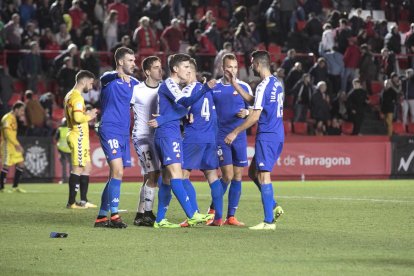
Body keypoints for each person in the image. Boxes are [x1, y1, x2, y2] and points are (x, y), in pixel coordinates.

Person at [152, 53, 215, 228]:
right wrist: (204, 88)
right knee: (176, 174)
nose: (189, 71)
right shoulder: (169, 84)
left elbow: (180, 110)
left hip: (170, 132)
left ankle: (160, 220)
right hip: (168, 134)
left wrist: (179, 115)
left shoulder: (175, 87)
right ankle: (192, 214)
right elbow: (184, 101)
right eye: (186, 67)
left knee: (166, 178)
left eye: (189, 68)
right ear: (175, 69)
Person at [224, 50, 284, 230]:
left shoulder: (263, 85)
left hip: (267, 135)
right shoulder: (276, 83)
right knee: (252, 173)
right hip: (277, 133)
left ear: (258, 64)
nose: (251, 67)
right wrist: (235, 84)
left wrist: (235, 132)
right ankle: (273, 206)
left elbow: (255, 115)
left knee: (264, 176)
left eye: (252, 63)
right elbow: (255, 101)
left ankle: (268, 221)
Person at [94, 47, 139, 228]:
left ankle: (101, 216)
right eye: (130, 60)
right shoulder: (109, 78)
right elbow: (103, 78)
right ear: (120, 62)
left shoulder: (135, 84)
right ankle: (114, 216)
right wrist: (117, 76)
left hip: (123, 132)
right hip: (109, 128)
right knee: (118, 171)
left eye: (134, 61)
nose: (134, 64)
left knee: (115, 174)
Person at [210, 53, 253, 226]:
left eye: (235, 67)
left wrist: (247, 112)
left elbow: (255, 109)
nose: (232, 70)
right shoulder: (214, 87)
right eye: (229, 67)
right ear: (222, 67)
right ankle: (214, 210)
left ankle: (231, 216)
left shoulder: (244, 86)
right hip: (221, 136)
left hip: (239, 136)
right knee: (226, 175)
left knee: (237, 176)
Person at [179, 58, 224, 226]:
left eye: (184, 69)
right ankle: (218, 218)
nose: (181, 74)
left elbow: (179, 111)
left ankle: (194, 214)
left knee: (182, 175)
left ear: (190, 71)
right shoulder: (208, 90)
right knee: (212, 175)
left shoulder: (188, 90)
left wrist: (184, 117)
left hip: (193, 137)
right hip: (210, 138)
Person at [130, 56, 163, 227]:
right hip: (142, 136)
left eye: (161, 67)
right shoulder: (136, 89)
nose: (160, 70)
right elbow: (124, 108)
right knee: (154, 174)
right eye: (156, 67)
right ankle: (149, 214)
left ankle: (140, 214)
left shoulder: (164, 89)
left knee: (147, 177)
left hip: (158, 137)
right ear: (148, 71)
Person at [63, 70, 98, 209]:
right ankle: (71, 202)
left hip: (80, 136)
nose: (91, 86)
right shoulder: (77, 98)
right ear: (83, 81)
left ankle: (83, 201)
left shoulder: (69, 95)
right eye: (90, 82)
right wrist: (89, 115)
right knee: (78, 168)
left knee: (87, 167)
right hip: (77, 135)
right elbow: (77, 118)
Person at [0, 101, 26, 193]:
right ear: (16, 109)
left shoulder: (14, 118)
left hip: (13, 144)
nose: (23, 113)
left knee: (21, 163)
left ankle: (15, 187)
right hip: (7, 144)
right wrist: (17, 145)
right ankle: (1, 187)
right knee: (6, 165)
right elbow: (7, 134)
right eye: (22, 110)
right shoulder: (7, 118)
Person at [55, 118, 72, 184]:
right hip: (70, 149)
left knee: (64, 166)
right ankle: (72, 179)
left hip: (62, 150)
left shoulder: (60, 129)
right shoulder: (71, 129)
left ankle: (64, 180)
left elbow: (56, 138)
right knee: (71, 166)